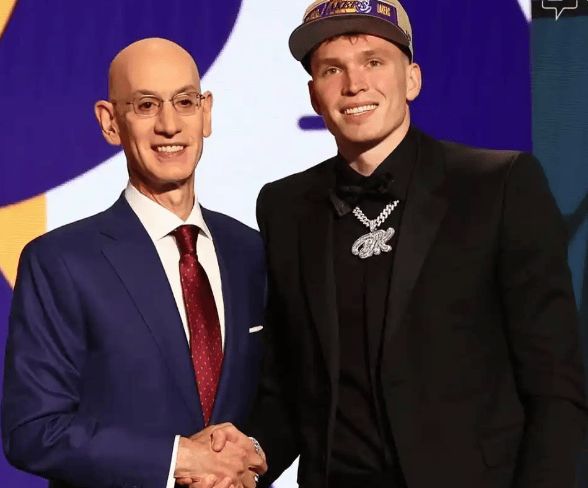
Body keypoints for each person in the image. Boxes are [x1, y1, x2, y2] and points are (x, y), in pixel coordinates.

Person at [247, 1, 588, 487]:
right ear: (314, 95)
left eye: (373, 61)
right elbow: (288, 383)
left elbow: (554, 384)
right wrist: (241, 462)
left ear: (412, 79)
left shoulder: (500, 186)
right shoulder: (285, 206)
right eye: (332, 69)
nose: (354, 84)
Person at [2, 38, 266, 488]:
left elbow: (281, 396)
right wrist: (178, 459)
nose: (169, 125)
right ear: (110, 122)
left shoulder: (249, 251)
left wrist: (251, 455)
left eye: (185, 102)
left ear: (206, 113)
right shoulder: (60, 262)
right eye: (146, 105)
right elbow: (33, 430)